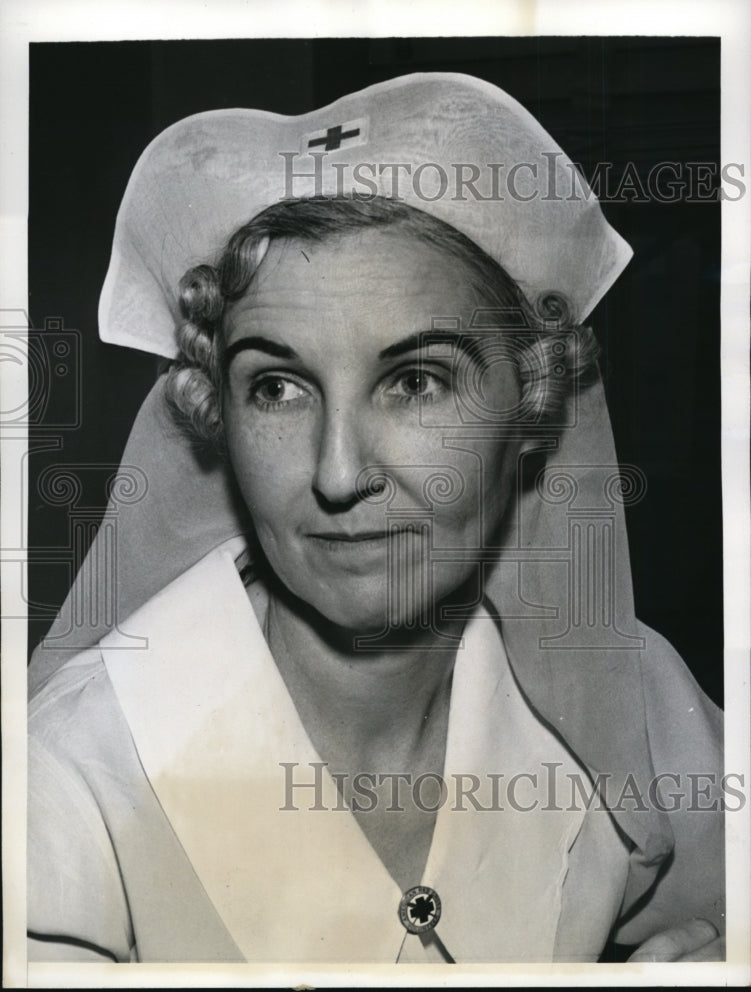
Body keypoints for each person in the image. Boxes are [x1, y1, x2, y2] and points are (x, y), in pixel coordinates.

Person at [27, 72, 724, 965]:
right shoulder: (69, 775)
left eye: (414, 382)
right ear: (216, 416)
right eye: (276, 388)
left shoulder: (630, 690)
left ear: (529, 406)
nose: (337, 473)